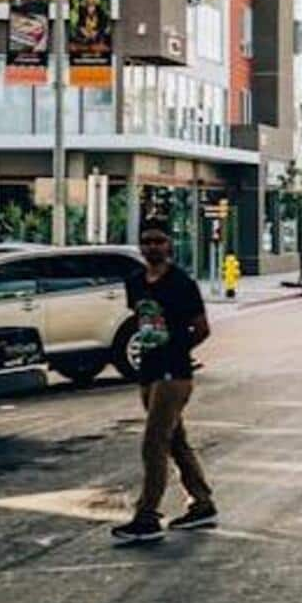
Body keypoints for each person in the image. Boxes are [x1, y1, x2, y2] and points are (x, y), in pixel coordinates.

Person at [112, 223, 216, 543]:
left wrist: (177, 351)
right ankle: (202, 503)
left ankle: (147, 515)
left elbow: (202, 328)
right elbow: (142, 321)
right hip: (149, 370)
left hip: (175, 374)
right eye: (147, 241)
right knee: (174, 441)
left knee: (154, 441)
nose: (152, 247)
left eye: (159, 241)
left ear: (169, 245)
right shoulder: (135, 283)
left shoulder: (181, 283)